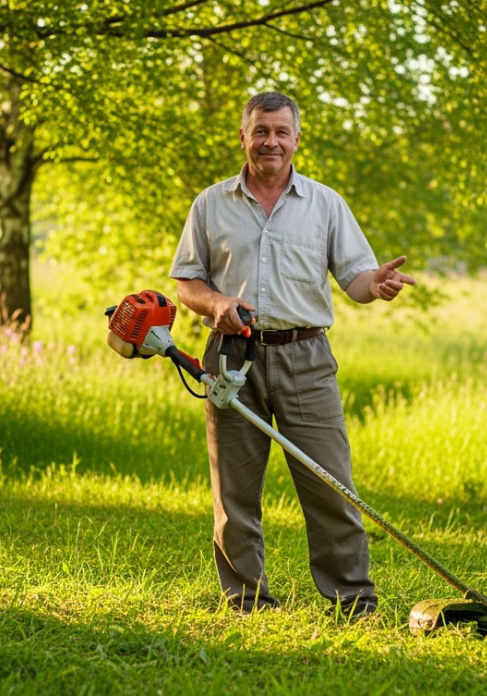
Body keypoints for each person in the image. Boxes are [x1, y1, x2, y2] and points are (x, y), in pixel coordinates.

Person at [170, 91, 416, 618]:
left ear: (297, 139)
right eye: (261, 131)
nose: (271, 142)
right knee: (234, 492)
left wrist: (379, 283)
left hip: (306, 357)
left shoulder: (325, 203)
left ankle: (352, 599)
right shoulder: (210, 203)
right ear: (243, 136)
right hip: (231, 357)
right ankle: (246, 599)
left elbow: (355, 279)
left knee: (331, 484)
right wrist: (217, 304)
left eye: (281, 132)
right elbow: (185, 281)